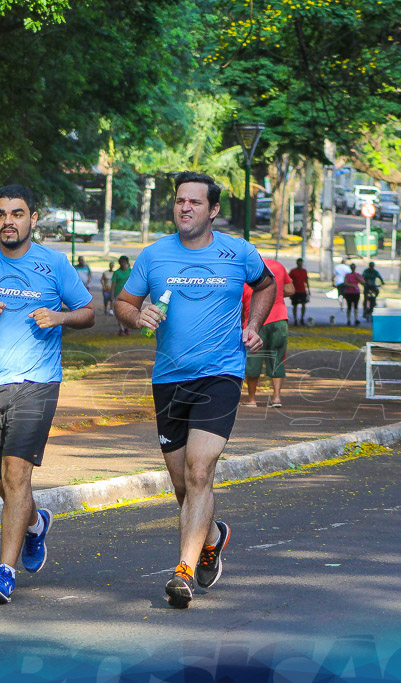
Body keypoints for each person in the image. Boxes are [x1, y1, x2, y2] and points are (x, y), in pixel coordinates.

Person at [114, 171, 275, 608]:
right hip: (169, 378)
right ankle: (211, 537)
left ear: (214, 210)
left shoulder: (238, 251)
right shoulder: (154, 255)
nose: (185, 208)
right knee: (183, 485)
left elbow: (264, 284)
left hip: (220, 374)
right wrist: (137, 316)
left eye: (195, 202)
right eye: (180, 201)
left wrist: (254, 324)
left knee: (200, 471)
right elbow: (123, 303)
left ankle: (182, 572)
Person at [0, 184, 95, 605]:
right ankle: (34, 524)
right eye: (1, 214)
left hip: (38, 381)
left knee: (15, 475)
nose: (8, 220)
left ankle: (4, 572)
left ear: (33, 219)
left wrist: (59, 316)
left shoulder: (54, 264)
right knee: (3, 483)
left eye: (17, 213)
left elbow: (88, 312)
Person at [243, 258, 294, 407]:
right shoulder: (278, 265)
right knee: (277, 357)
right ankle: (276, 397)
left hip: (255, 321)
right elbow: (291, 290)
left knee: (253, 358)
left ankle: (252, 399)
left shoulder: (243, 270)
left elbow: (238, 303)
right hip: (279, 319)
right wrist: (272, 295)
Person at [111, 255, 132, 335]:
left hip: (129, 295)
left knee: (128, 312)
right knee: (119, 312)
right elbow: (113, 285)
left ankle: (126, 327)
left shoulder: (130, 272)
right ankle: (121, 328)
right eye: (121, 263)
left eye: (125, 263)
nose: (123, 264)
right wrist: (111, 296)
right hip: (119, 295)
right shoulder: (116, 273)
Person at [289, 258, 310, 325]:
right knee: (295, 305)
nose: (300, 264)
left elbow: (306, 281)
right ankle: (295, 319)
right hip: (295, 290)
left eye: (301, 262)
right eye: (299, 262)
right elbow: (289, 280)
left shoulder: (304, 271)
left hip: (302, 290)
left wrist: (308, 290)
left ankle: (302, 318)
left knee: (303, 304)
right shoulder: (293, 271)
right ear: (297, 263)